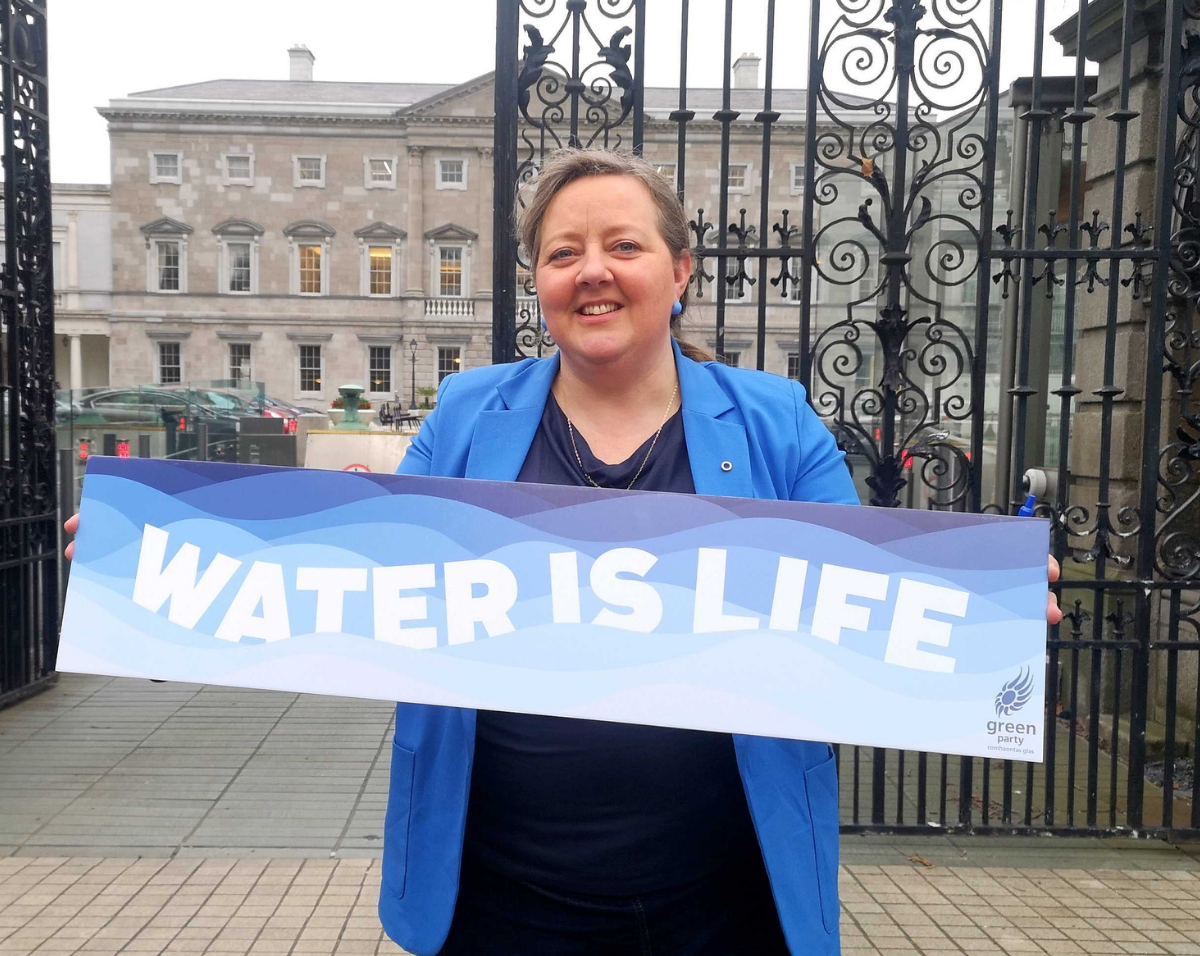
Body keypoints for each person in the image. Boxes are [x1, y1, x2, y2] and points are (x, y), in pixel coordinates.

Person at [63, 146, 1063, 956]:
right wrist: (162, 559)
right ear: (539, 282)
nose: (592, 269)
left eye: (622, 244)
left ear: (679, 271)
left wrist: (987, 612)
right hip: (500, 891)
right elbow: (352, 573)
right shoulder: (464, 412)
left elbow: (865, 608)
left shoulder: (774, 419)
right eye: (562, 251)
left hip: (727, 892)